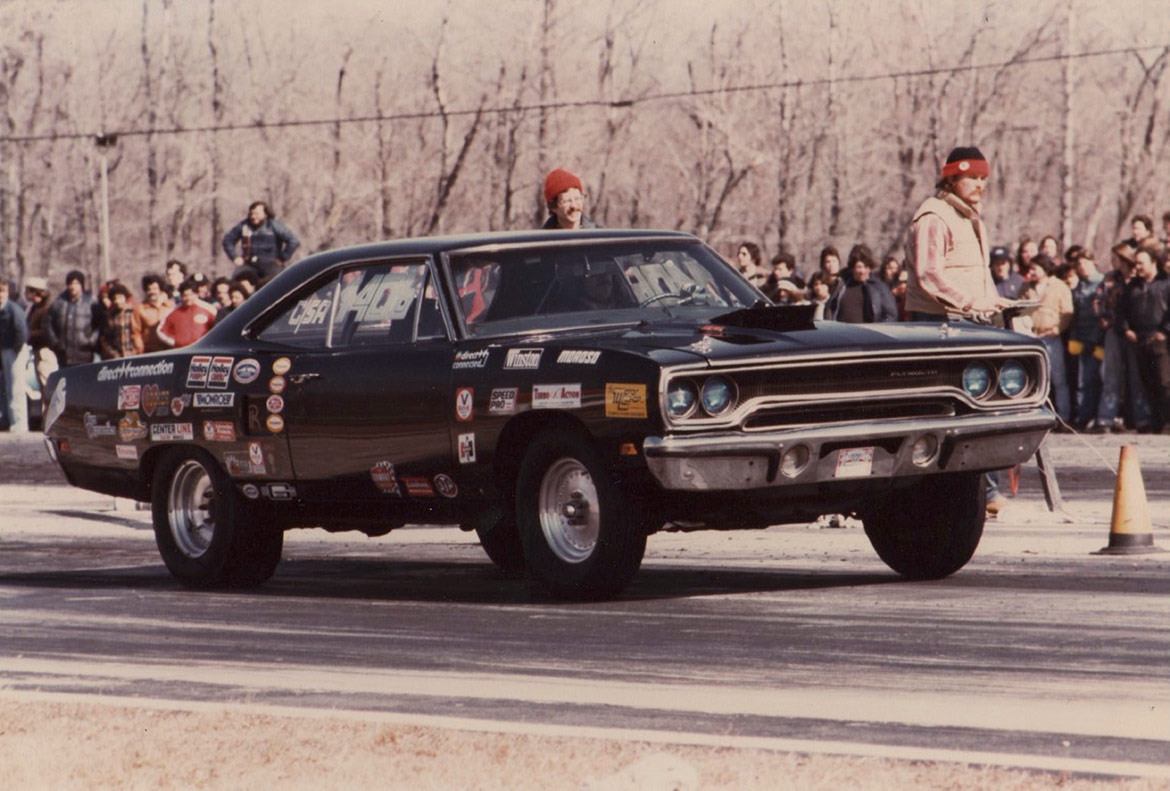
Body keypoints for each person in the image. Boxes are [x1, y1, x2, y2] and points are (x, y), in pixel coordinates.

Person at [905, 147, 1011, 321]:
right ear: (951, 179)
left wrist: (995, 305)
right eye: (971, 177)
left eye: (983, 179)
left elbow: (978, 274)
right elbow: (928, 275)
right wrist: (970, 302)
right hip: (939, 322)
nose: (979, 185)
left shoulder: (969, 219)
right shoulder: (934, 217)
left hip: (968, 319)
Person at [1117, 246, 1170, 433]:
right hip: (1139, 339)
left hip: (1161, 340)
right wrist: (1126, 329)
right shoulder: (1132, 286)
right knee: (1147, 383)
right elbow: (1121, 311)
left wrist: (1164, 330)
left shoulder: (1166, 283)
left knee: (1164, 382)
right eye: (1136, 263)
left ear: (1153, 262)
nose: (1137, 267)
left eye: (1141, 263)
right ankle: (1155, 423)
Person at [1025, 254, 1074, 423]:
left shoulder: (1059, 287)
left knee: (1058, 379)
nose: (1030, 272)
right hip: (1032, 338)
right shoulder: (1026, 288)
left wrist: (1058, 329)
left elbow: (1067, 312)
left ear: (1044, 269)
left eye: (1034, 268)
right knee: (1035, 380)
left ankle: (1064, 417)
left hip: (1052, 338)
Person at [1067, 250, 1105, 429]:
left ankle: (1090, 417)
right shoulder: (1079, 287)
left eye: (1085, 263)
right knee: (1085, 380)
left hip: (1098, 340)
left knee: (1094, 379)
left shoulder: (1102, 283)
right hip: (1082, 339)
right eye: (1079, 265)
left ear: (1093, 262)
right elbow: (1076, 314)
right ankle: (1085, 416)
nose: (1082, 267)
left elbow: (1102, 315)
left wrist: (1096, 339)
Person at [222, 201, 301, 280]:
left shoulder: (274, 225)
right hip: (249, 264)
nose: (253, 216)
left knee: (277, 282)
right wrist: (235, 257)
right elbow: (227, 240)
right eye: (251, 214)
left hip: (271, 264)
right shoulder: (244, 225)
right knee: (237, 280)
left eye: (257, 214)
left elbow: (293, 241)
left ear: (265, 214)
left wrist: (282, 258)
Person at [826, 244, 897, 323]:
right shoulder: (841, 285)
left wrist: (878, 330)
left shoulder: (879, 288)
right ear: (852, 268)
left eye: (866, 267)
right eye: (859, 267)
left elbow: (890, 316)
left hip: (868, 334)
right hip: (841, 333)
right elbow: (830, 309)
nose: (862, 271)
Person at [46, 269, 99, 367]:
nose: (73, 286)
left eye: (76, 283)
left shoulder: (91, 304)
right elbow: (48, 323)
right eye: (70, 283)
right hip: (63, 354)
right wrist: (55, 343)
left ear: (82, 285)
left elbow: (99, 325)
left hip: (84, 354)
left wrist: (91, 341)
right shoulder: (58, 303)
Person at [0, 279, 30, 432]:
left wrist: (16, 350)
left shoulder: (14, 309)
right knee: (6, 386)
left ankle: (20, 423)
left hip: (15, 350)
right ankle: (8, 420)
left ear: (7, 292)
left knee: (16, 387)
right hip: (4, 350)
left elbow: (21, 332)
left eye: (2, 291)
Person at [157, 277, 216, 349]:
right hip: (182, 351)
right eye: (185, 295)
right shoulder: (172, 312)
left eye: (191, 295)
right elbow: (160, 331)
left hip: (203, 350)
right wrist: (175, 342)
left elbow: (217, 328)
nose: (188, 298)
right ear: (181, 296)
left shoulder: (209, 309)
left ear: (196, 294)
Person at [23, 276, 55, 394]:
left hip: (44, 352)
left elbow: (45, 332)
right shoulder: (34, 308)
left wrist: (27, 334)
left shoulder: (46, 309)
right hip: (37, 350)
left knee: (47, 384)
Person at [131, 274, 172, 354]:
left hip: (169, 350)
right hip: (150, 352)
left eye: (155, 289)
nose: (152, 292)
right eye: (149, 289)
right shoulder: (140, 308)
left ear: (160, 290)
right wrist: (140, 350)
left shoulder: (170, 306)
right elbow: (135, 332)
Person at [98, 282, 141, 359]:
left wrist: (136, 351)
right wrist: (114, 354)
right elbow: (106, 340)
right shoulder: (110, 316)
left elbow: (139, 334)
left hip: (134, 355)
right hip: (117, 357)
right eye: (114, 298)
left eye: (120, 297)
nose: (117, 301)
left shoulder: (133, 312)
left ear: (125, 298)